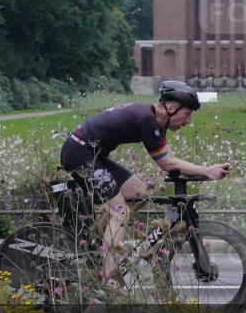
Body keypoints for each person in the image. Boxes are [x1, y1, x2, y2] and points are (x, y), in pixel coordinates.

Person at [60, 81, 231, 287]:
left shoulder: (154, 121)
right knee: (121, 213)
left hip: (92, 154)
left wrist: (203, 171)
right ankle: (108, 280)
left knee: (140, 193)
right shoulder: (147, 120)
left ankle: (95, 242)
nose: (188, 121)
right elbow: (167, 163)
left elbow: (170, 160)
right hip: (80, 153)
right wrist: (207, 170)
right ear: (170, 107)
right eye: (187, 114)